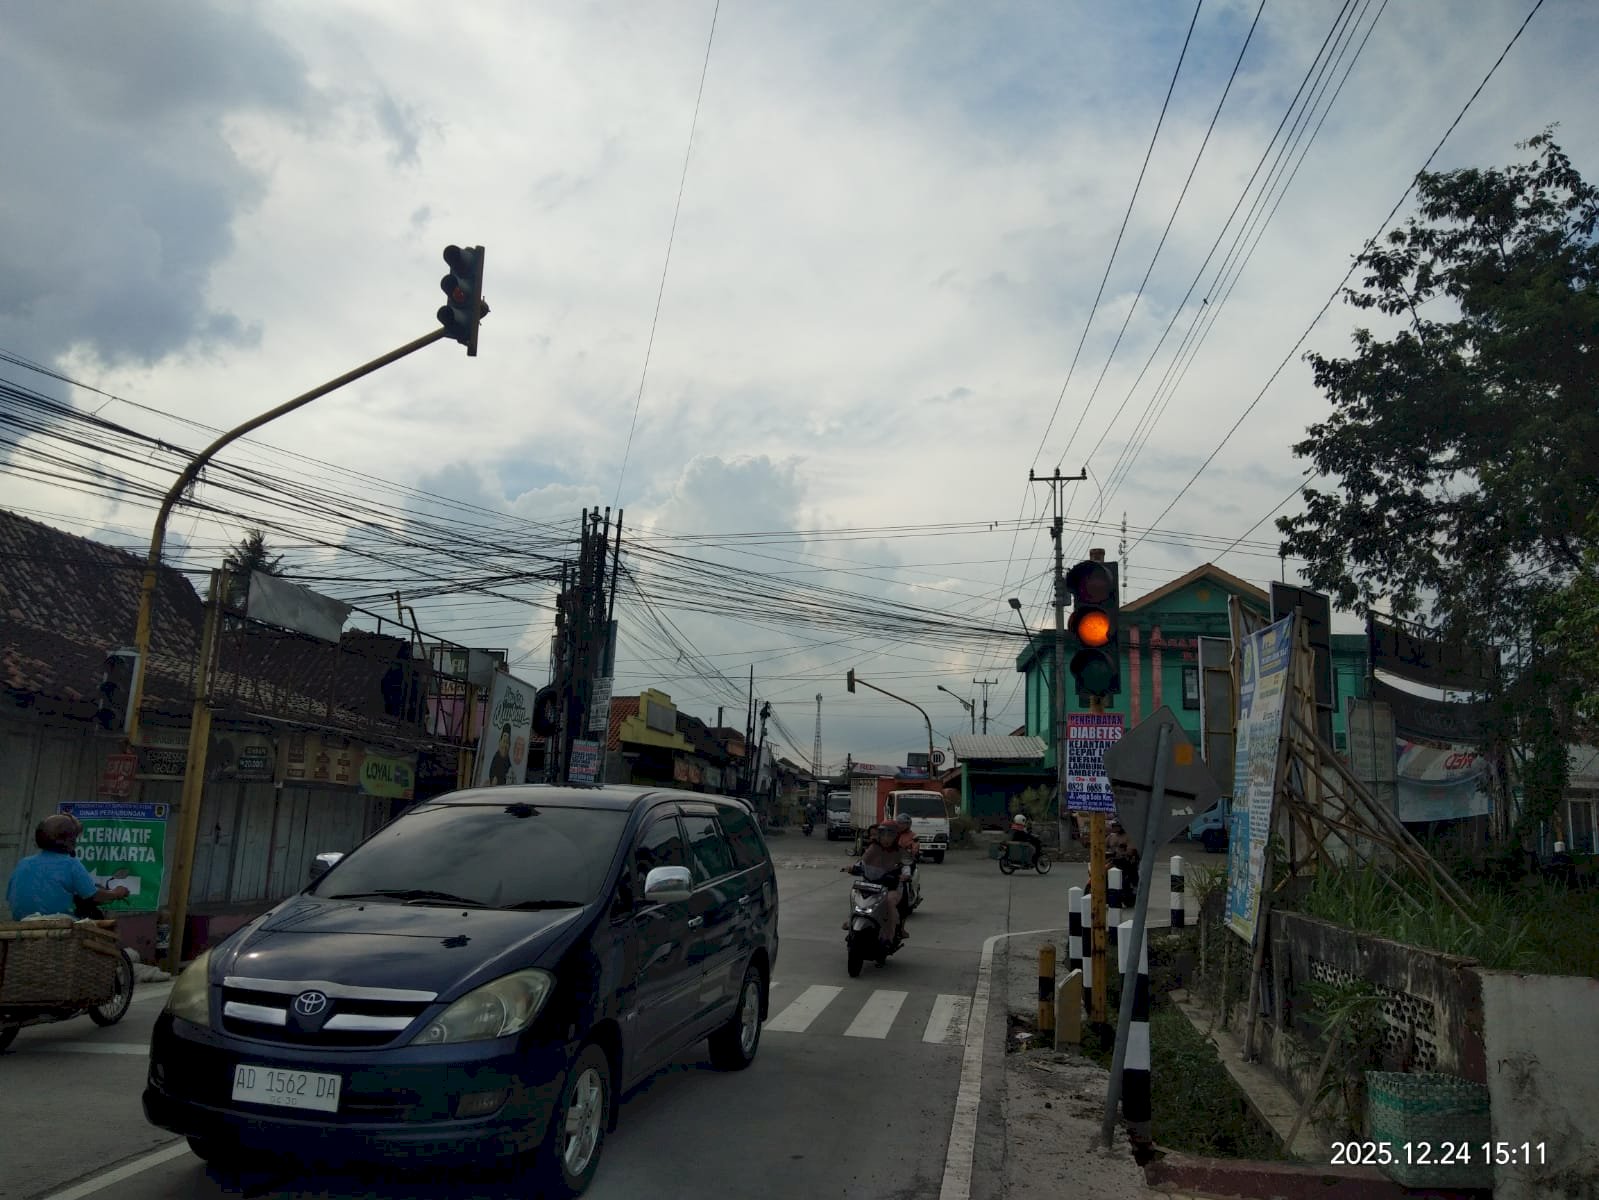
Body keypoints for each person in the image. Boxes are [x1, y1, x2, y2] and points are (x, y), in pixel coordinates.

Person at [6, 814, 129, 920]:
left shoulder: (24, 862)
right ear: (70, 840)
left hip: (21, 920)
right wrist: (116, 893)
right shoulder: (70, 863)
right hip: (53, 921)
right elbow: (93, 895)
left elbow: (11, 896)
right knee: (92, 915)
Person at [842, 823, 908, 946]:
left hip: (891, 888)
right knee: (855, 896)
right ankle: (851, 921)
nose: (886, 838)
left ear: (896, 837)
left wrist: (905, 875)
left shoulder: (899, 851)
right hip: (870, 884)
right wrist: (852, 868)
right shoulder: (873, 848)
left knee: (889, 903)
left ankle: (888, 936)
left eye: (891, 835)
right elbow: (862, 862)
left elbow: (906, 866)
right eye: (884, 835)